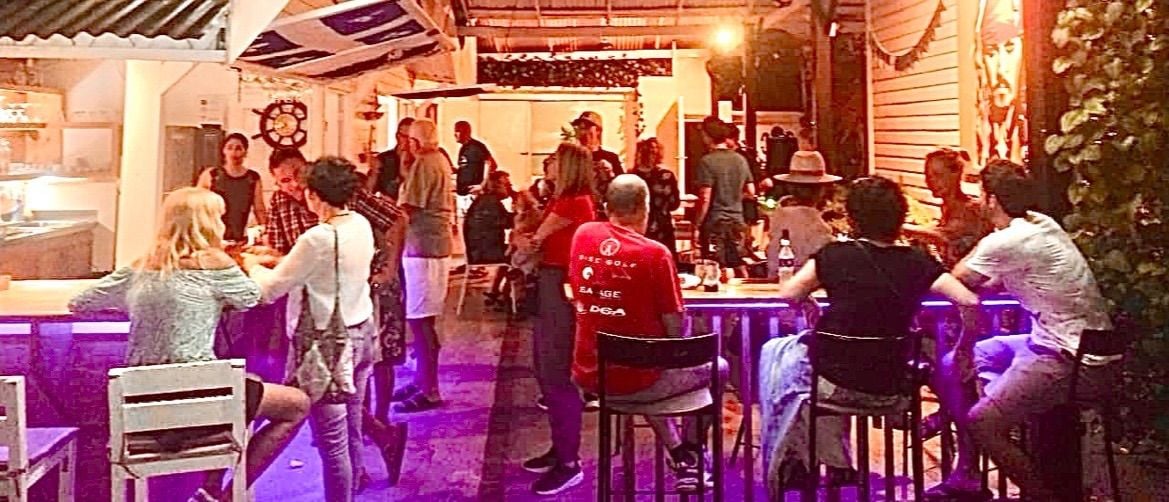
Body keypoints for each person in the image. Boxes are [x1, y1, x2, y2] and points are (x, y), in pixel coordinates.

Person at [68, 187, 310, 502]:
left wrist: (137, 306)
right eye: (219, 218)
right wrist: (247, 267)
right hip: (197, 407)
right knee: (296, 404)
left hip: (141, 412)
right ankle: (225, 496)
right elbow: (252, 297)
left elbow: (80, 303)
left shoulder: (141, 265)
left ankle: (209, 490)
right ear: (206, 223)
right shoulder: (214, 262)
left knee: (246, 385)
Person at [757, 177, 980, 500]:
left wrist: (810, 302)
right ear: (899, 218)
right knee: (799, 366)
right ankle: (831, 460)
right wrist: (964, 348)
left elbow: (789, 293)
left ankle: (799, 462)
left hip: (834, 382)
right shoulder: (917, 261)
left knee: (779, 356)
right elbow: (969, 301)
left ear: (853, 218)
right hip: (891, 385)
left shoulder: (834, 255)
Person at [928, 160, 1118, 500]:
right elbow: (997, 279)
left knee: (982, 422)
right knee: (971, 357)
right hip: (1078, 348)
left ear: (991, 200)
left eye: (982, 194)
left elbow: (957, 278)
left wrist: (986, 244)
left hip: (1071, 360)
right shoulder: (1042, 224)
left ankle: (1041, 495)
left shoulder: (1006, 240)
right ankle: (993, 434)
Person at [569, 174, 730, 491]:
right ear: (645, 208)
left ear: (607, 207)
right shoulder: (655, 254)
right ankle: (693, 452)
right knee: (716, 367)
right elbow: (675, 332)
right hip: (638, 380)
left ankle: (680, 455)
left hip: (591, 375)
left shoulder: (583, 235)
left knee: (647, 361)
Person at [241, 157, 376, 502]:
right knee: (352, 431)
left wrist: (252, 264)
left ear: (314, 194)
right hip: (362, 332)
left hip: (328, 347)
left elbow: (269, 290)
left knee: (333, 445)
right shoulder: (359, 224)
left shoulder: (318, 237)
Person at [519, 142, 597, 495]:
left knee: (557, 371)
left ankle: (569, 461)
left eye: (553, 160)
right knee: (545, 368)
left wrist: (526, 236)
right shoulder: (563, 200)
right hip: (552, 282)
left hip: (561, 285)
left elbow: (533, 240)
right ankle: (559, 448)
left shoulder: (572, 202)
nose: (547, 163)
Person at [391, 118, 455, 413]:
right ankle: (420, 380)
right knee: (422, 319)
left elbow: (408, 208)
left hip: (424, 249)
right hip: (433, 247)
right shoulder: (438, 159)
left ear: (414, 141)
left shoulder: (425, 163)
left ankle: (429, 389)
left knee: (420, 321)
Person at [904, 147, 991, 268]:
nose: (931, 181)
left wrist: (900, 227)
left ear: (956, 175)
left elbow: (943, 236)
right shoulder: (946, 208)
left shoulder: (972, 209)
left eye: (938, 175)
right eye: (928, 176)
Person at [694, 117, 756, 276]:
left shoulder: (707, 161)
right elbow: (751, 191)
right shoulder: (740, 160)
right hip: (737, 220)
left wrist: (697, 224)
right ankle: (746, 289)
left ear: (708, 136)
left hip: (715, 221)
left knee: (715, 267)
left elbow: (705, 197)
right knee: (739, 262)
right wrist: (733, 194)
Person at [764, 151, 839, 279]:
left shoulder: (780, 213)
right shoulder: (810, 221)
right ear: (820, 190)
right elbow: (824, 256)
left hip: (777, 281)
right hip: (804, 284)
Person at [197, 133, 268, 242]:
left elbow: (259, 209)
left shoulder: (253, 178)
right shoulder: (211, 174)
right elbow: (196, 205)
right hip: (210, 236)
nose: (234, 152)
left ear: (245, 152)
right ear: (223, 151)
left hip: (238, 237)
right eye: (229, 148)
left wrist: (266, 231)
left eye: (238, 148)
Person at [631, 138, 682, 259]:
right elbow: (674, 204)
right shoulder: (666, 175)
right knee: (665, 257)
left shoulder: (632, 176)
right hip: (661, 225)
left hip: (641, 224)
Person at [572, 111, 623, 215]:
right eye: (581, 128)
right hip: (580, 210)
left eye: (587, 128)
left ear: (598, 131)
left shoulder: (610, 157)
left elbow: (622, 188)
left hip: (604, 211)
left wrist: (610, 174)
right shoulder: (573, 158)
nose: (583, 132)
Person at [368, 118, 416, 200]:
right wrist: (374, 172)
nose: (408, 141)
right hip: (388, 205)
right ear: (397, 136)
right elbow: (369, 192)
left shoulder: (419, 161)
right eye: (404, 136)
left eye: (411, 138)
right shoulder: (383, 159)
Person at [454, 120, 496, 196]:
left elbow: (492, 165)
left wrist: (482, 185)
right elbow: (466, 168)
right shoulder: (463, 149)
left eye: (458, 131)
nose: (455, 134)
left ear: (466, 132)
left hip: (474, 194)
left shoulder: (478, 146)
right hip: (462, 193)